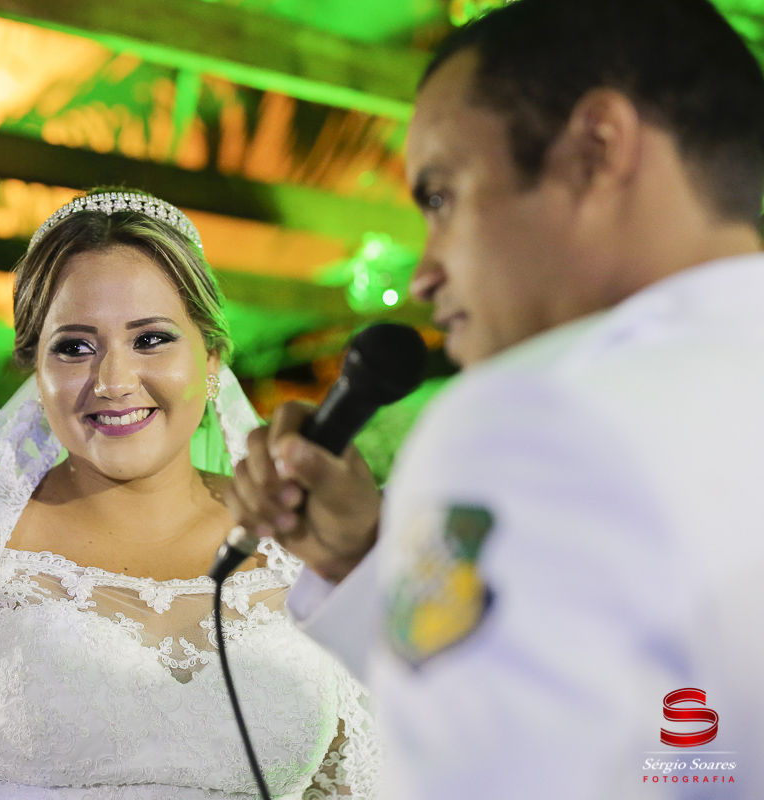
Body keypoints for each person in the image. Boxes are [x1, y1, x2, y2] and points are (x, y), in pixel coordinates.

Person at [227, 0, 764, 797]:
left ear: (596, 149)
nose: (424, 273)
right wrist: (368, 561)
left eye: (440, 197)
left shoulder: (529, 418)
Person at [0, 189, 382, 800]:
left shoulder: (305, 543)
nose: (112, 382)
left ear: (211, 356)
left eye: (152, 339)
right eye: (75, 347)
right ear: (36, 372)